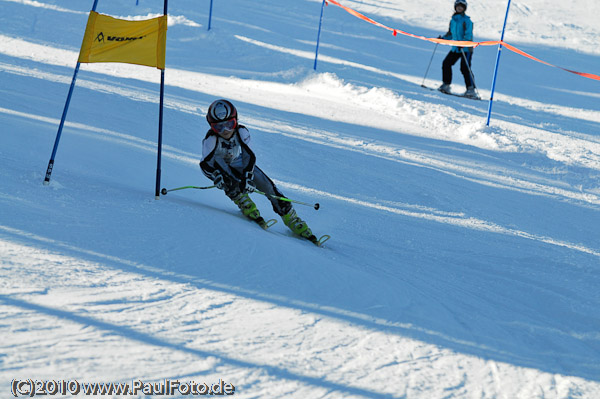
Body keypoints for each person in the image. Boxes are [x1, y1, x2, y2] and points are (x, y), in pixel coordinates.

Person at [199, 99, 315, 239]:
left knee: (267, 186)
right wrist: (216, 175)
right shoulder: (211, 139)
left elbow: (249, 156)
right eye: (219, 127)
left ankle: (291, 217)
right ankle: (240, 198)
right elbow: (205, 164)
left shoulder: (241, 132)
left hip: (238, 161)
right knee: (229, 181)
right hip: (217, 165)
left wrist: (248, 177)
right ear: (212, 127)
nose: (225, 131)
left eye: (230, 124)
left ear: (236, 120)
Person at [438, 0, 478, 98]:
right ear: (455, 7)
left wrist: (463, 43)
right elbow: (450, 34)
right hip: (456, 48)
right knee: (446, 63)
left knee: (465, 68)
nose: (460, 8)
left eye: (462, 7)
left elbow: (468, 34)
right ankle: (446, 85)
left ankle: (471, 90)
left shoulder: (467, 21)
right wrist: (442, 39)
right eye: (458, 6)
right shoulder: (453, 20)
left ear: (464, 8)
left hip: (466, 49)